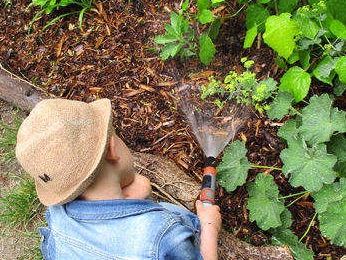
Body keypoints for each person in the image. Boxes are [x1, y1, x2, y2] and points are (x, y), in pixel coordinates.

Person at [15, 98, 222, 260]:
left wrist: (129, 195)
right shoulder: (161, 236)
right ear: (112, 149)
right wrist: (209, 226)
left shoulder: (57, 216)